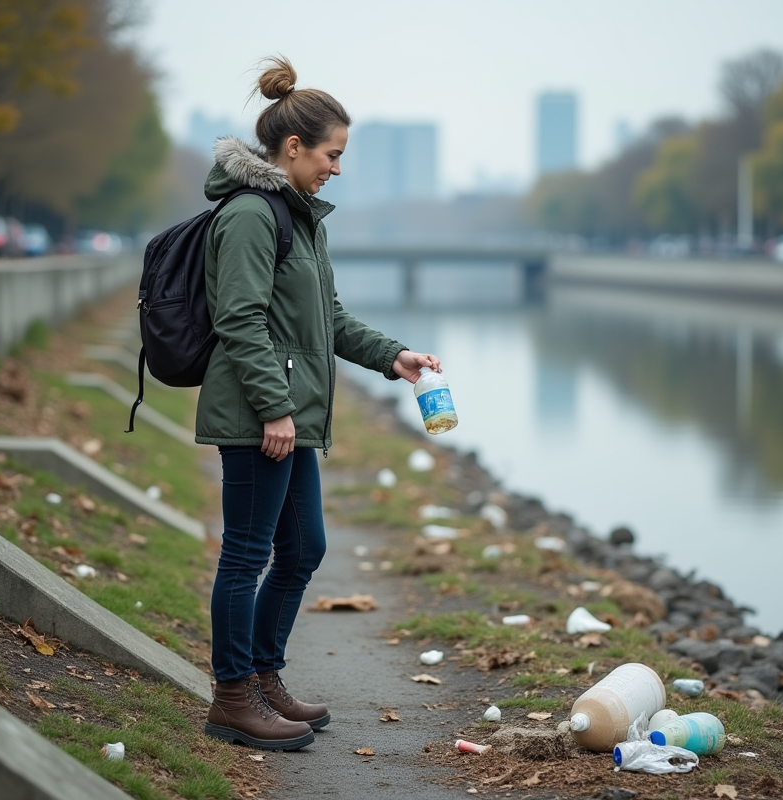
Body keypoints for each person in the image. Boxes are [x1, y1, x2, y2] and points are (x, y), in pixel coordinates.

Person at [196, 56, 442, 751]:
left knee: (304, 548)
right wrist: (274, 408)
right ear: (295, 146)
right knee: (246, 554)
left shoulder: (300, 220)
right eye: (332, 155)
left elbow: (326, 321)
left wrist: (394, 357)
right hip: (259, 417)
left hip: (289, 416)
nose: (337, 168)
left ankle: (263, 676)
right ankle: (232, 697)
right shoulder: (251, 215)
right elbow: (239, 320)